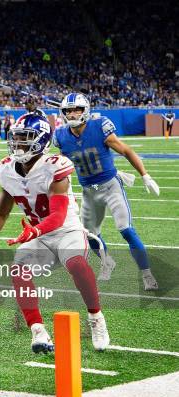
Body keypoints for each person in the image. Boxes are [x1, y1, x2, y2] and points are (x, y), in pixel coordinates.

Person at [0, 112, 110, 353]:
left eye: (25, 138)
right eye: (16, 137)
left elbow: (58, 215)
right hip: (39, 235)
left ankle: (96, 318)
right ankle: (38, 332)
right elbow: (1, 212)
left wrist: (33, 232)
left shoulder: (55, 166)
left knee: (76, 263)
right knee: (18, 269)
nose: (18, 143)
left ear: (41, 140)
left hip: (67, 230)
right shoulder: (7, 169)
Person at [54, 93, 159, 290]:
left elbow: (126, 150)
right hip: (89, 190)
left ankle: (147, 274)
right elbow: (62, 166)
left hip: (110, 184)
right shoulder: (61, 136)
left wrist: (145, 175)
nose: (72, 114)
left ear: (85, 110)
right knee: (90, 235)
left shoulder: (99, 126)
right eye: (68, 110)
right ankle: (107, 261)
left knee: (126, 230)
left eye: (76, 109)